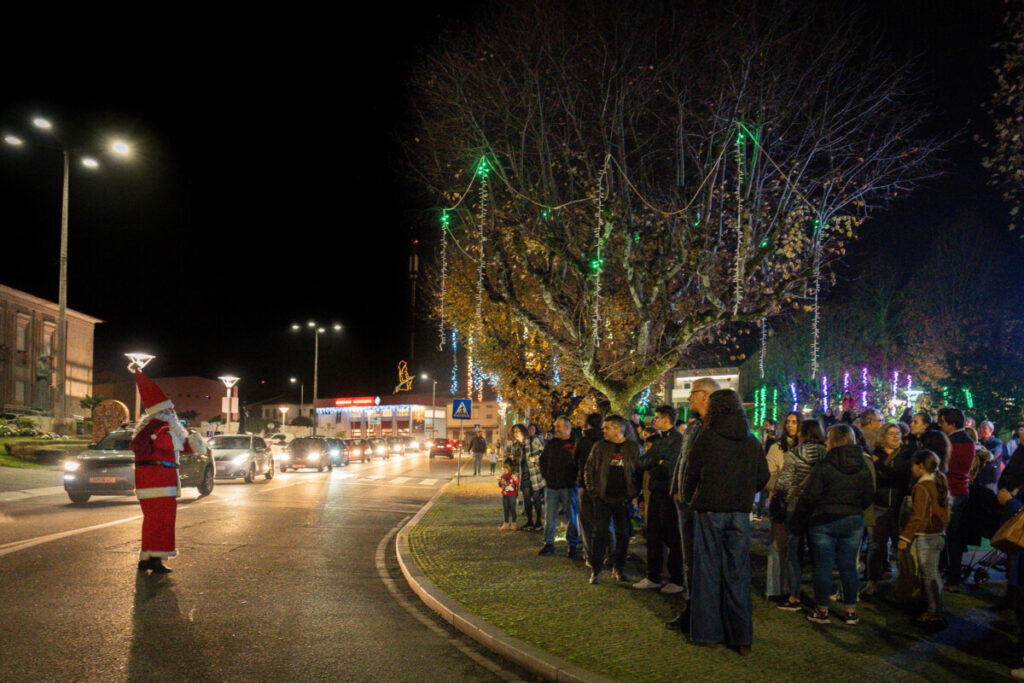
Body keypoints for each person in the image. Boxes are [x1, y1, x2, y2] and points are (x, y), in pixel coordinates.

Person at [682, 389, 769, 654]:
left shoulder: (707, 438)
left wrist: (690, 497)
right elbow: (763, 477)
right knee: (738, 573)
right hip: (739, 513)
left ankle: (708, 632)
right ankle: (740, 637)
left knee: (707, 571)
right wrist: (744, 493)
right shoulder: (751, 441)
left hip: (710, 511)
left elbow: (691, 472)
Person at [802, 424, 875, 625]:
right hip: (852, 519)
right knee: (849, 566)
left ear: (831, 441)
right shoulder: (862, 465)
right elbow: (868, 495)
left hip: (824, 520)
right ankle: (850, 610)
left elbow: (811, 495)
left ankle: (822, 609)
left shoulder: (824, 465)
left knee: (823, 566)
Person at [128, 366, 198, 575]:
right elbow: (174, 446)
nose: (174, 414)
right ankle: (156, 560)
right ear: (164, 412)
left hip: (150, 483)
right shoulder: (163, 429)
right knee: (162, 521)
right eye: (171, 411)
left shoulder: (149, 429)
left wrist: (190, 440)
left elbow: (184, 447)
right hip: (160, 482)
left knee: (151, 521)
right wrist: (185, 437)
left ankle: (146, 558)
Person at [666, 377, 721, 631]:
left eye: (693, 392)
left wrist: (688, 492)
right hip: (684, 500)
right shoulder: (695, 425)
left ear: (706, 396)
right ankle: (692, 606)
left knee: (700, 559)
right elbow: (684, 461)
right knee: (689, 558)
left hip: (698, 503)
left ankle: (700, 611)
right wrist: (675, 488)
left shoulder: (714, 427)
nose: (689, 398)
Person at [633, 405, 685, 594]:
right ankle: (653, 576)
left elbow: (667, 468)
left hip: (669, 493)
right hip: (655, 492)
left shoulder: (677, 441)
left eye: (658, 418)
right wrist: (657, 462)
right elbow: (642, 462)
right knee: (653, 534)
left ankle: (676, 578)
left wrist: (655, 464)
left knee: (672, 536)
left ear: (666, 419)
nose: (654, 421)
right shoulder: (658, 440)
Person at [776, 419, 827, 611]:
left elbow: (785, 482)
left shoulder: (795, 453)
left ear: (803, 434)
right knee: (818, 555)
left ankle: (794, 596)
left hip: (796, 507)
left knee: (794, 552)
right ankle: (819, 599)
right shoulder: (826, 453)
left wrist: (781, 502)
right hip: (817, 508)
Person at [584, 415, 641, 584]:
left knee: (623, 535)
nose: (603, 431)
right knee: (599, 534)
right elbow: (589, 469)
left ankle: (619, 568)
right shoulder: (600, 447)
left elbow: (638, 471)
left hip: (623, 499)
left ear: (618, 429)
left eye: (607, 428)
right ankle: (596, 570)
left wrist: (634, 495)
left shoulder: (632, 447)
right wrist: (593, 492)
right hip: (602, 498)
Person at [898, 450, 950, 627]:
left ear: (920, 467)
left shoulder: (921, 487)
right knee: (933, 574)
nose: (911, 469)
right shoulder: (938, 482)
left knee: (929, 575)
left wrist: (904, 537)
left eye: (913, 466)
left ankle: (933, 612)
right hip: (937, 534)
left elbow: (917, 516)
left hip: (925, 536)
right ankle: (935, 607)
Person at [864, 422, 914, 597]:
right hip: (878, 506)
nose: (896, 436)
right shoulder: (874, 454)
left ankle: (903, 584)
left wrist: (880, 468)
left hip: (899, 508)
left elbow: (900, 478)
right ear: (883, 436)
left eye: (898, 433)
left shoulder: (906, 456)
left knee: (901, 548)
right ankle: (872, 581)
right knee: (876, 545)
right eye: (891, 433)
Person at [937, 407, 975, 592]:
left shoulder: (949, 442)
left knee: (949, 536)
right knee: (955, 535)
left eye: (942, 422)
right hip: (963, 490)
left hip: (950, 491)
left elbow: (944, 468)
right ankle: (953, 575)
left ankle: (951, 577)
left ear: (951, 424)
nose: (940, 425)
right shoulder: (969, 440)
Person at [764, 411, 798, 599]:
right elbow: (768, 475)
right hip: (781, 501)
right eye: (788, 422)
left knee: (795, 546)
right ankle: (774, 587)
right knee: (778, 545)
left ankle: (791, 587)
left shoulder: (807, 447)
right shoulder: (777, 448)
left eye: (794, 422)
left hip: (800, 503)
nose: (791, 425)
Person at [538, 416, 580, 558]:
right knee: (550, 516)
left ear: (567, 427)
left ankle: (572, 544)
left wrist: (574, 478)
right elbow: (543, 460)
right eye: (555, 426)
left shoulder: (575, 444)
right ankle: (549, 543)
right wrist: (547, 476)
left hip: (569, 486)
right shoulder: (551, 444)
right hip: (552, 486)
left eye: (558, 426)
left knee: (571, 517)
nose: (555, 429)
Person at [575, 413, 604, 565]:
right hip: (603, 486)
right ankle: (607, 554)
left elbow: (575, 461)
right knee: (604, 522)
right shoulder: (605, 441)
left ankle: (590, 556)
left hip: (584, 485)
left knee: (586, 523)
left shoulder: (582, 441)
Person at [976, 421, 1005, 492]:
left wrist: (980, 453)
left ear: (991, 430)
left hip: (990, 478)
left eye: (984, 428)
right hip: (978, 477)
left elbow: (992, 456)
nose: (981, 430)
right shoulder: (978, 442)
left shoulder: (997, 442)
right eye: (980, 428)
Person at [498, 458, 520, 530]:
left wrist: (515, 479)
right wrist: (500, 483)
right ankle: (506, 523)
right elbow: (502, 485)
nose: (505, 469)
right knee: (506, 509)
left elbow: (517, 483)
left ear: (510, 467)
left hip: (512, 495)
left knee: (512, 509)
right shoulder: (504, 475)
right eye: (504, 467)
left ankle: (514, 523)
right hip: (505, 495)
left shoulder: (513, 475)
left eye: (506, 468)